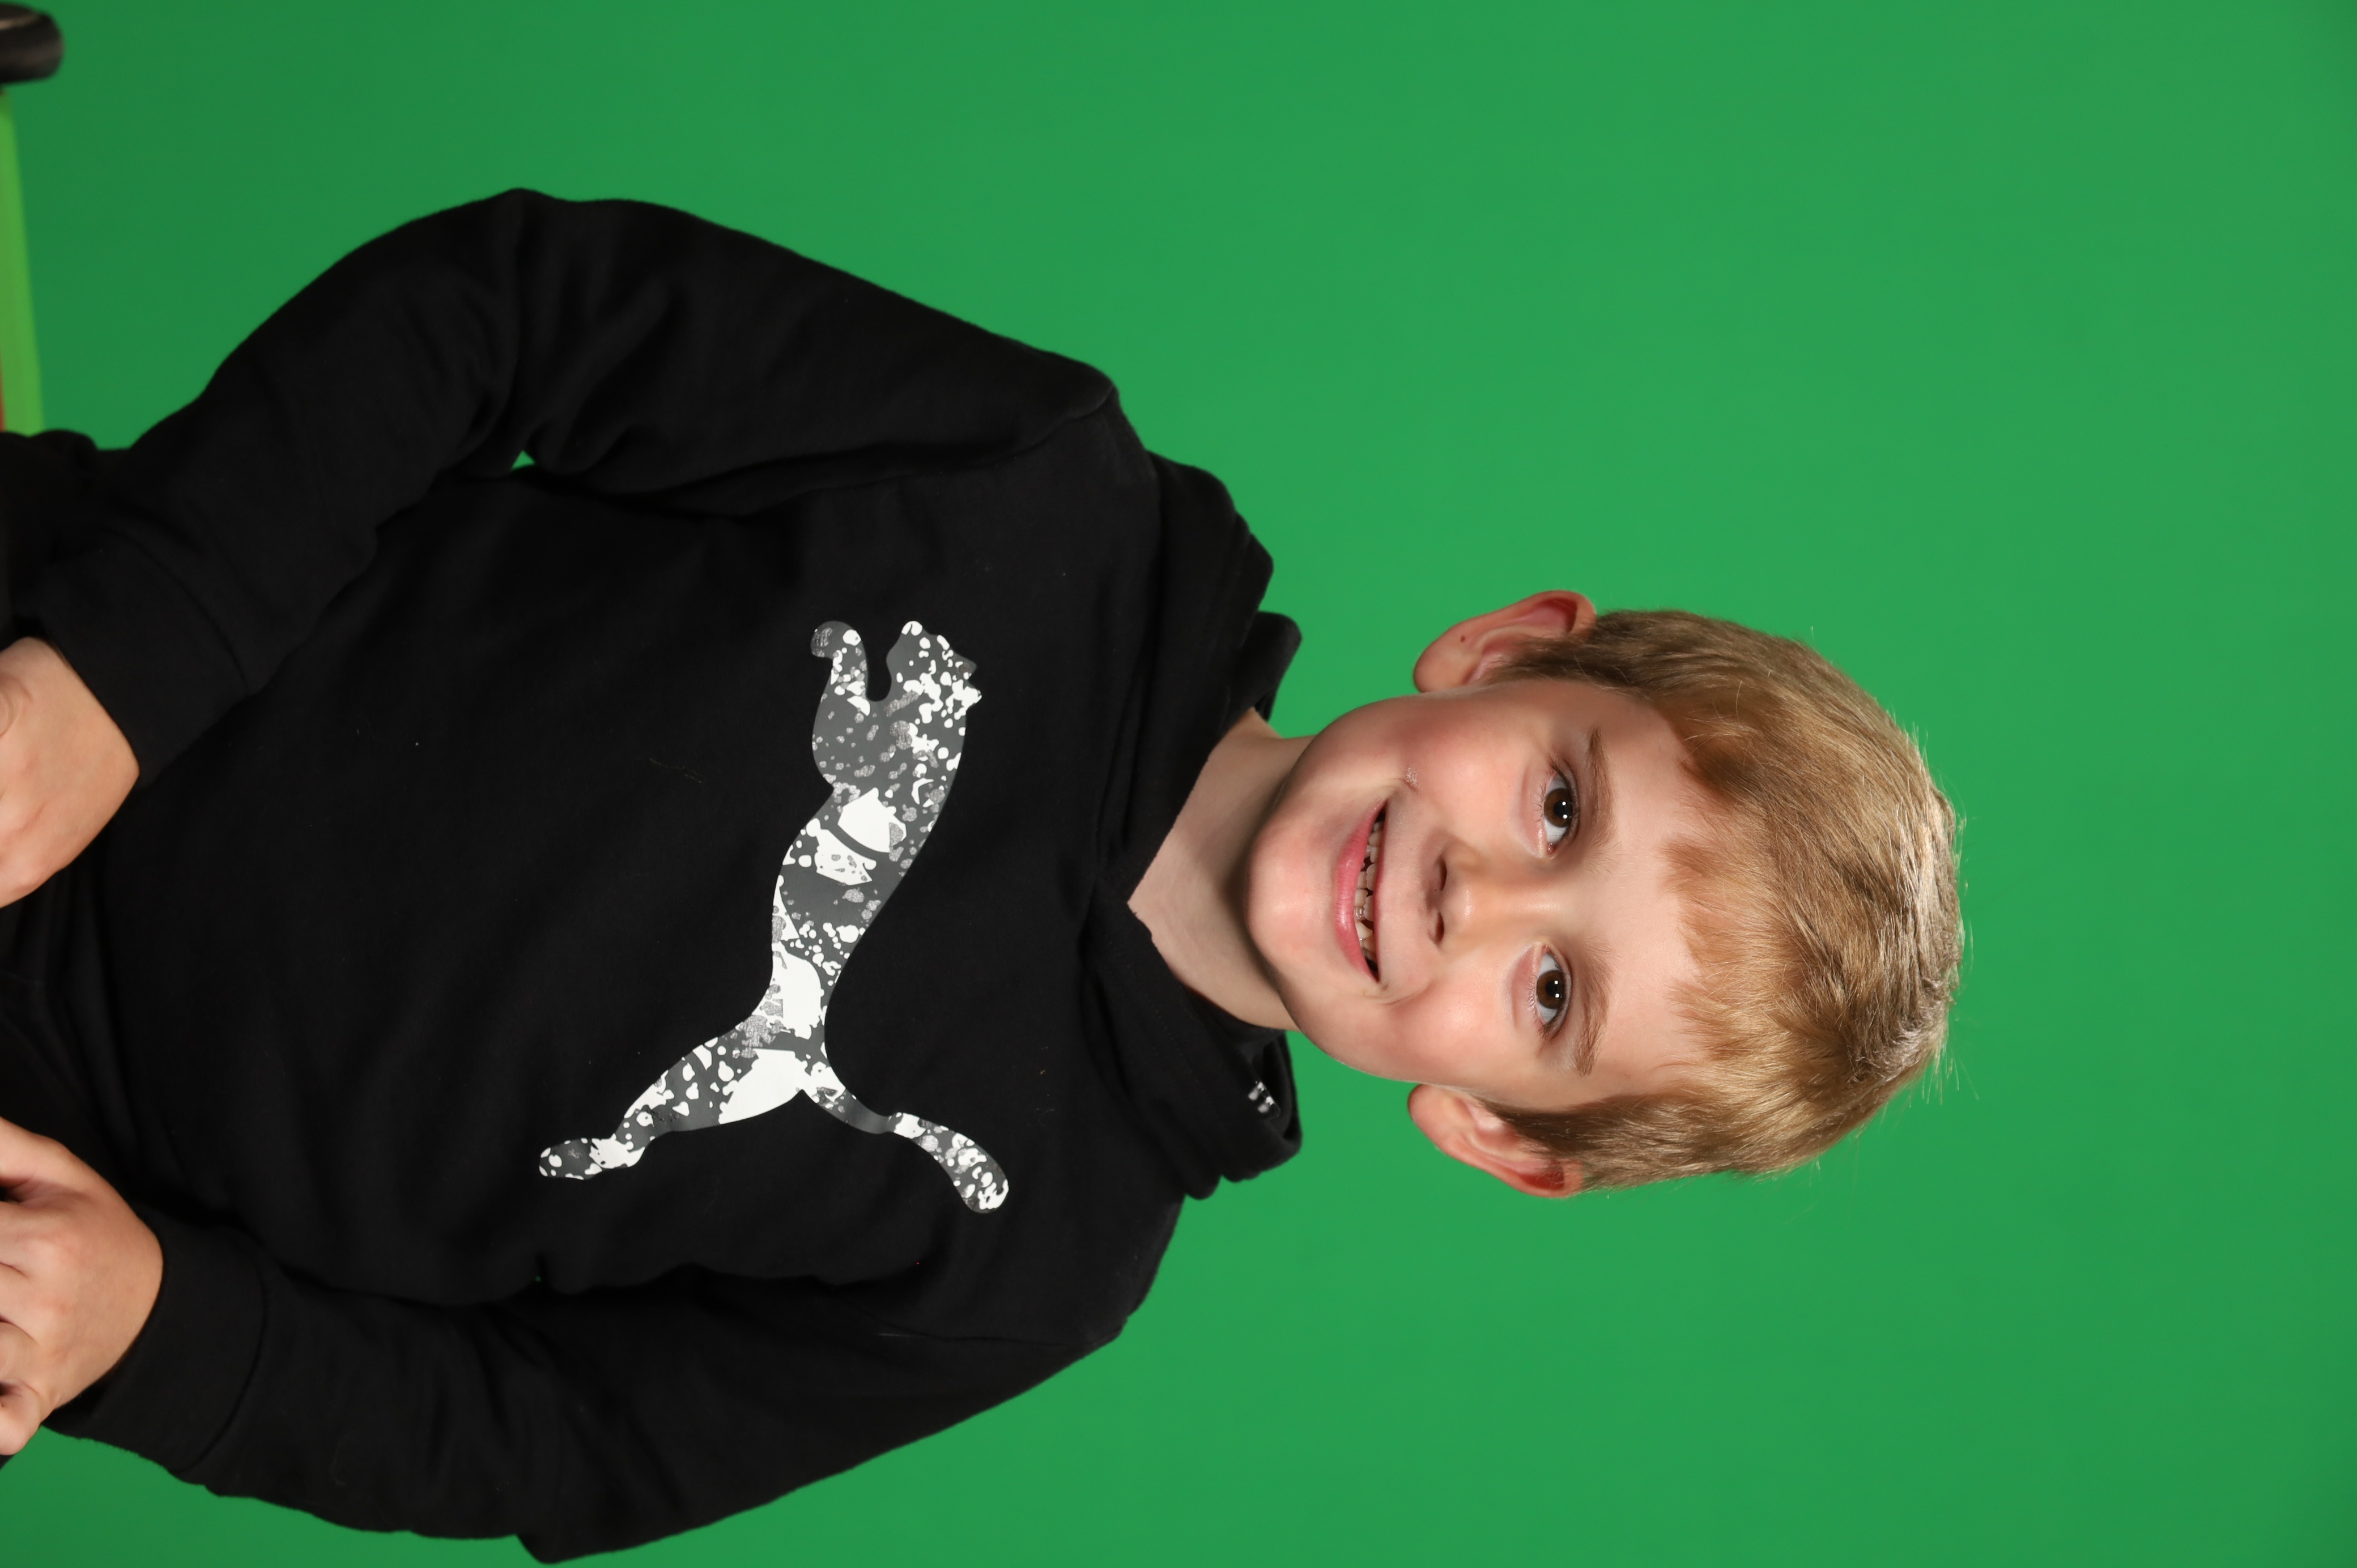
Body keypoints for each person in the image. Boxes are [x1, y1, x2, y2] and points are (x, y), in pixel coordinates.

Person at [0, 191, 1960, 1558]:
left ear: (1499, 1132)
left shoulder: (1036, 1275)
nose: (1478, 899)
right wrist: (111, 677)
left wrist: (148, 1332)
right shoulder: (1034, 485)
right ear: (1510, 656)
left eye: (1552, 996)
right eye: (1561, 810)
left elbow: (551, 1439)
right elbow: (513, 308)